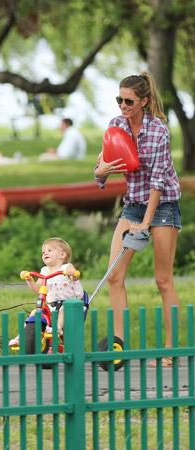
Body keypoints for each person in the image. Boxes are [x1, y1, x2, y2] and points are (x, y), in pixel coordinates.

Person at [94, 72, 181, 367]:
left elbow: (158, 182)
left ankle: (170, 350)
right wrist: (100, 173)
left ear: (144, 101)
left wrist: (146, 222)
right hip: (133, 205)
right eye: (119, 99)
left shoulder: (159, 131)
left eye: (128, 101)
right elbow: (102, 167)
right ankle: (119, 348)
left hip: (163, 205)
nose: (122, 105)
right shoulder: (116, 125)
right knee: (114, 276)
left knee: (163, 280)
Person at [8, 238, 83, 348]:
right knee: (35, 312)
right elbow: (37, 290)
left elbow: (74, 277)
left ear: (62, 254)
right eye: (43, 252)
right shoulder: (45, 271)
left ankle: (56, 328)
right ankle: (23, 336)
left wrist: (72, 273)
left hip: (71, 305)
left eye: (50, 250)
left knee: (64, 310)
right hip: (52, 306)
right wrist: (29, 279)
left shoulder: (67, 267)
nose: (45, 253)